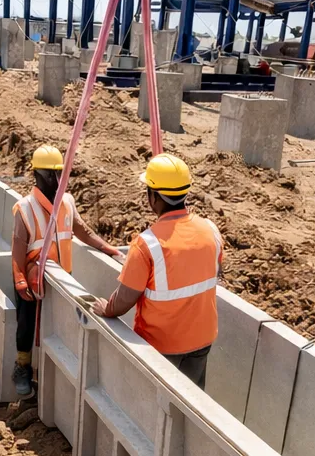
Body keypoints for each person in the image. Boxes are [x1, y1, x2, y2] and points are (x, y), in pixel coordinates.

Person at [91, 154, 222, 390]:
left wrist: (107, 309)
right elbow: (210, 271)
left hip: (162, 347)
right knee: (190, 407)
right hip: (202, 340)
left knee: (153, 409)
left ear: (154, 198)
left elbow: (124, 299)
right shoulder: (211, 231)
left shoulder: (147, 244)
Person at [11, 145, 121, 399]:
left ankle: (54, 375)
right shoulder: (25, 208)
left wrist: (109, 249)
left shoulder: (67, 202)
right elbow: (17, 248)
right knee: (26, 321)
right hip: (32, 278)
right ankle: (22, 366)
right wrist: (19, 279)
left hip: (62, 278)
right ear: (37, 175)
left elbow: (83, 231)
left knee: (61, 326)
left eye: (59, 174)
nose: (56, 180)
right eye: (50, 175)